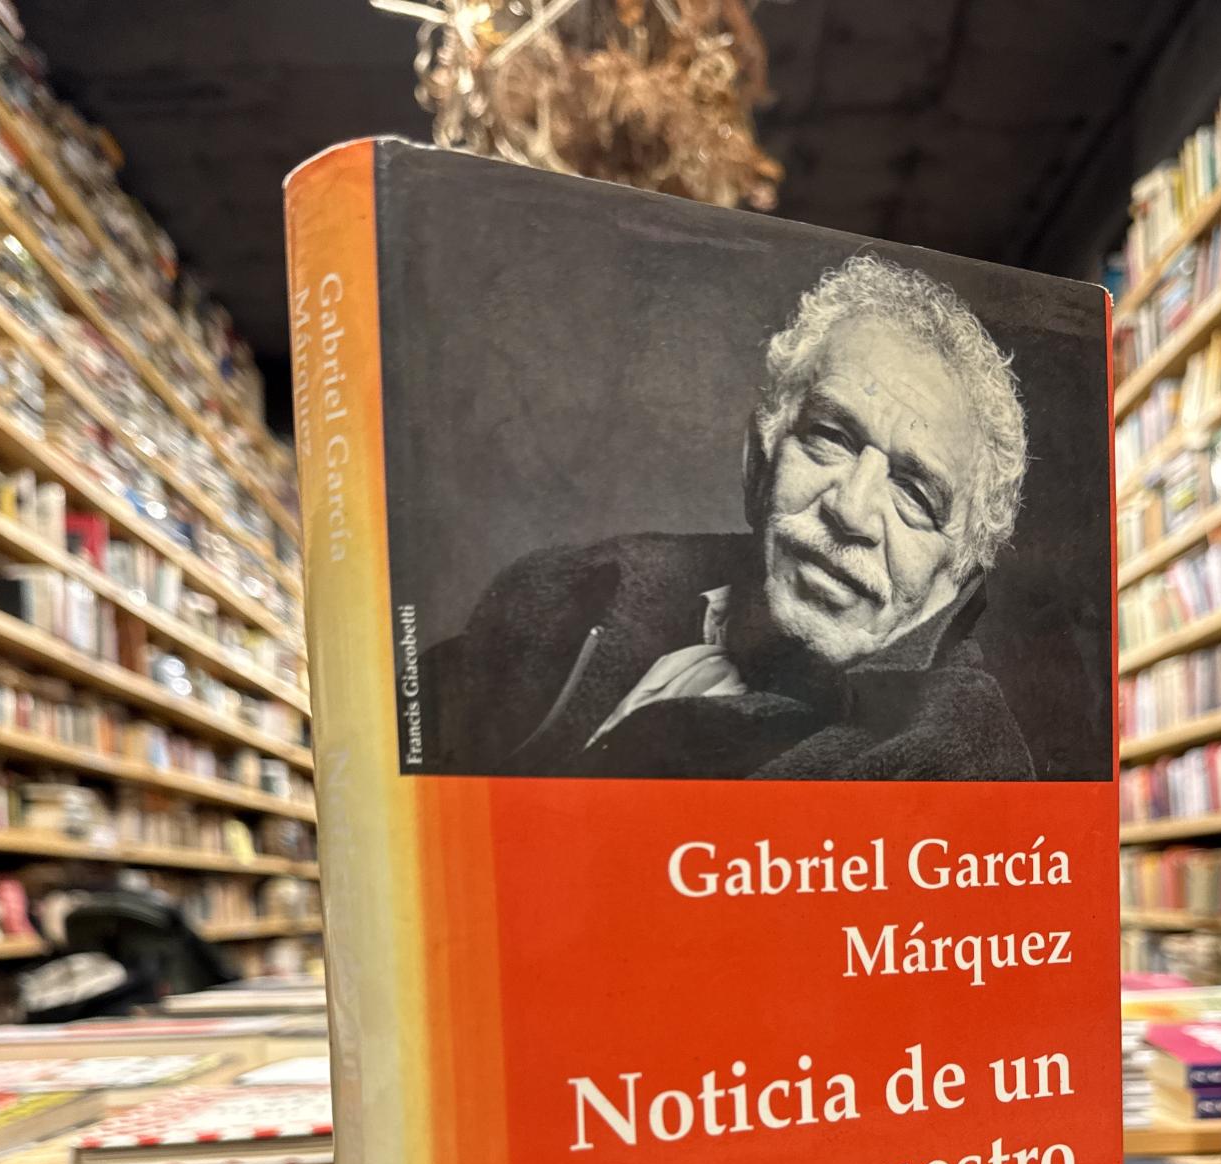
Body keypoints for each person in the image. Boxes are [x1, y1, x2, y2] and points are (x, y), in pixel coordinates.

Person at [420, 252, 1034, 780]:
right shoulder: (574, 586)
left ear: (957, 576)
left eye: (915, 494)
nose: (850, 510)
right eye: (831, 437)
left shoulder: (957, 767)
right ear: (757, 458)